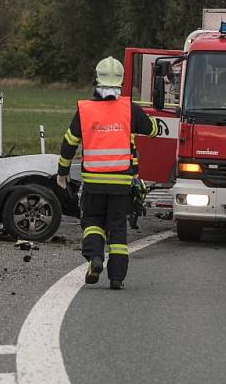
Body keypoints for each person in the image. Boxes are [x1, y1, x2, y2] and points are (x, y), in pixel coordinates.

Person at [57, 56, 159, 290]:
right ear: (121, 81)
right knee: (118, 227)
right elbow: (152, 130)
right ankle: (117, 278)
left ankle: (95, 258)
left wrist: (62, 171)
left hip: (93, 182)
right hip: (121, 182)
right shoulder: (128, 109)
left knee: (92, 221)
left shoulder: (85, 110)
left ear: (96, 79)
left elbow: (69, 143)